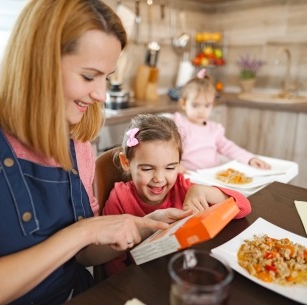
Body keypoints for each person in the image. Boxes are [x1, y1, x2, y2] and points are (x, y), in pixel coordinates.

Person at [0, 1, 191, 304]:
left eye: (106, 78)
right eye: (89, 76)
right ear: (38, 63)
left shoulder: (78, 144)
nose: (100, 94)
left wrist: (138, 229)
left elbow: (84, 257)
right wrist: (81, 233)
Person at [102, 114, 251, 276]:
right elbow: (112, 259)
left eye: (170, 168)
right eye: (147, 169)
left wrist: (202, 190)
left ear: (180, 164)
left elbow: (243, 206)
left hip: (182, 271)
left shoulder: (182, 186)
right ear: (126, 162)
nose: (159, 179)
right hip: (140, 277)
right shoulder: (119, 198)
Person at [173, 68, 270, 172]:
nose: (201, 111)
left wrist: (250, 158)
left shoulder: (214, 130)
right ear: (183, 104)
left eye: (207, 105)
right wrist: (175, 166)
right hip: (187, 175)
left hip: (211, 176)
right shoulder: (179, 125)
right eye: (195, 105)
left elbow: (230, 148)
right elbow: (169, 151)